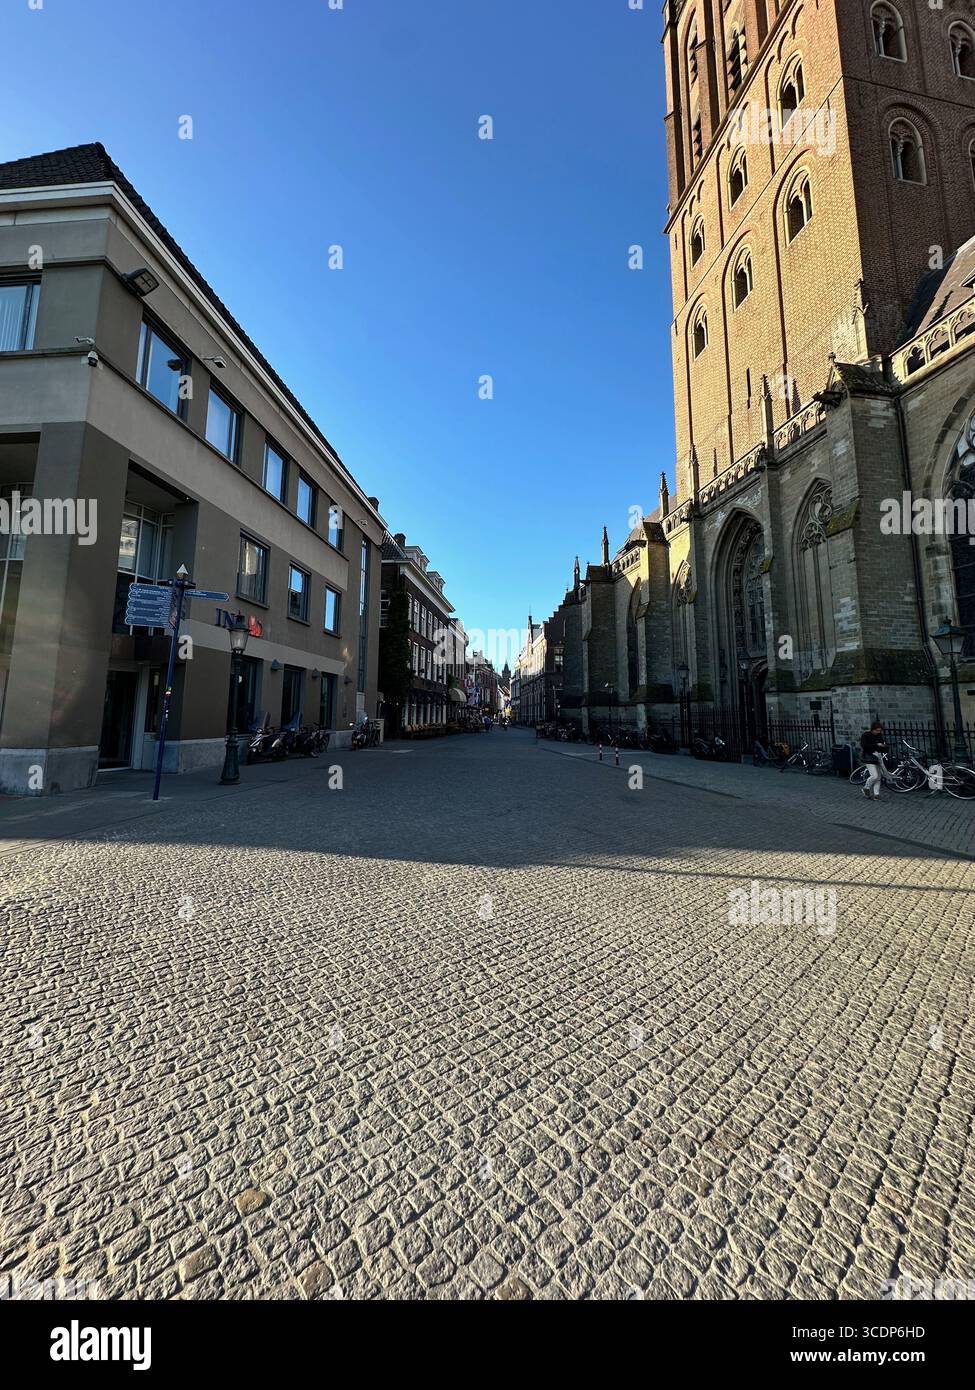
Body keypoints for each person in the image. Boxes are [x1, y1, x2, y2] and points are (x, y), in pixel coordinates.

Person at [860, 720, 887, 800]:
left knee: (878, 777)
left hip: (877, 756)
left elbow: (882, 745)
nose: (878, 732)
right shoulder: (866, 735)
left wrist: (883, 746)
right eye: (877, 730)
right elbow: (864, 746)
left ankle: (876, 794)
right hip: (869, 757)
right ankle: (866, 787)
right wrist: (876, 745)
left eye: (880, 730)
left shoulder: (879, 736)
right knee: (874, 776)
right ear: (873, 729)